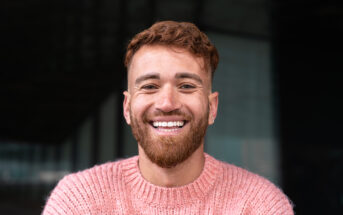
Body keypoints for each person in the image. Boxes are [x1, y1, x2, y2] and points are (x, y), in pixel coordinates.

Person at [42, 21, 294, 214]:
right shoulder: (78, 202)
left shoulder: (260, 206)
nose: (167, 104)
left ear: (212, 107)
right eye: (150, 86)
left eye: (186, 86)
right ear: (127, 107)